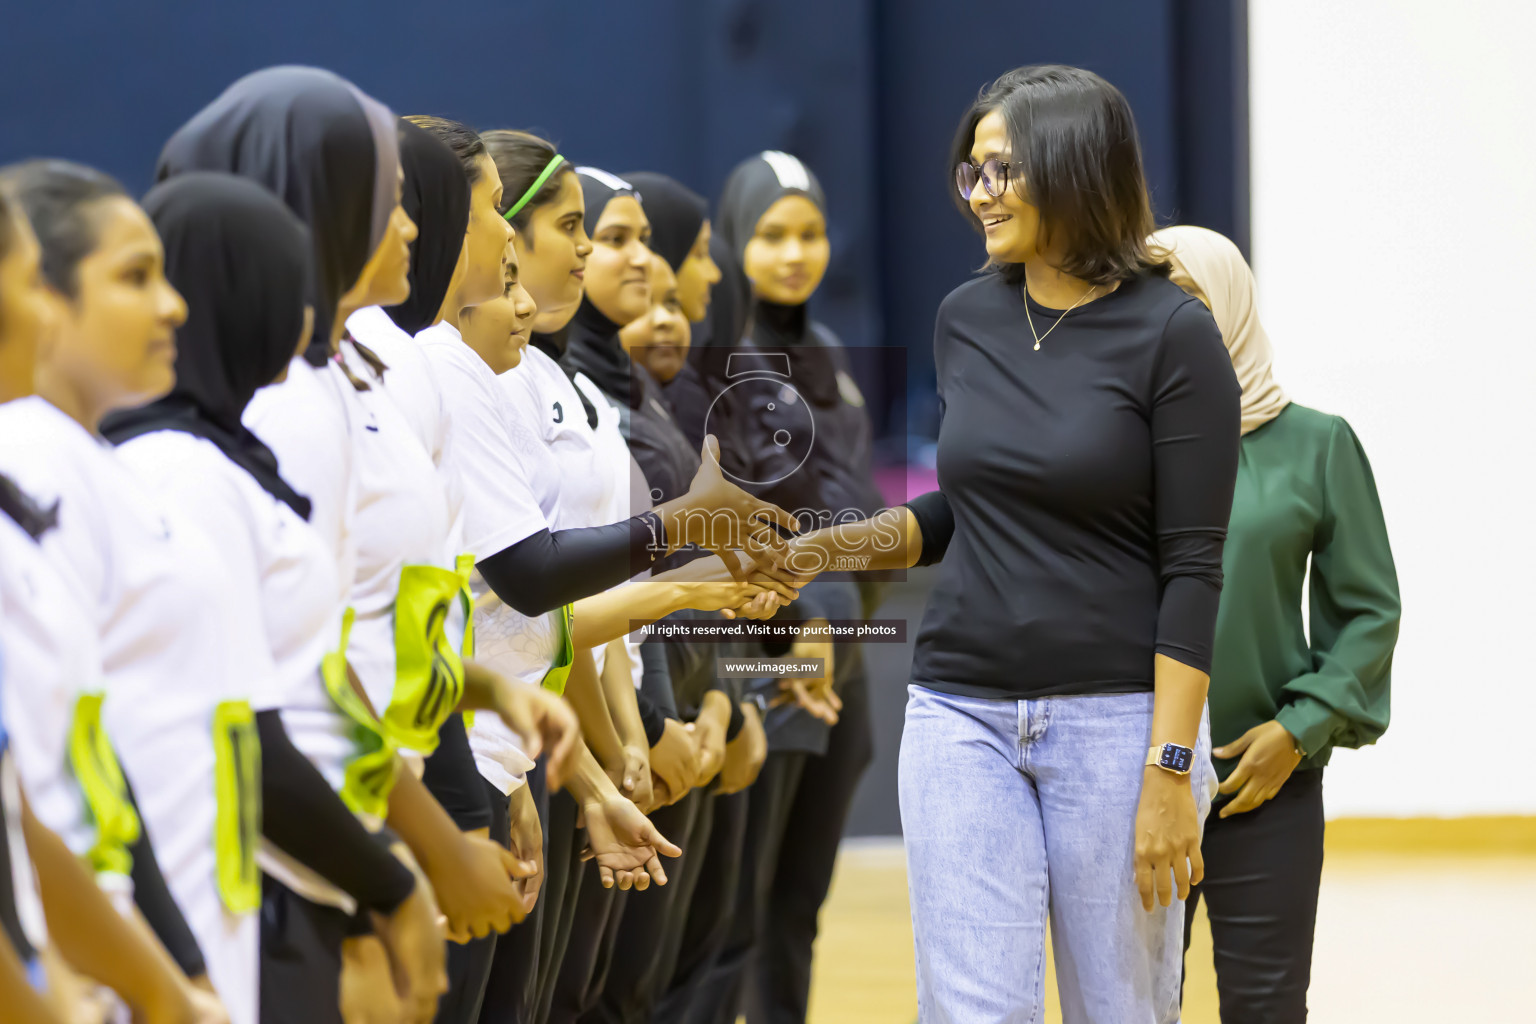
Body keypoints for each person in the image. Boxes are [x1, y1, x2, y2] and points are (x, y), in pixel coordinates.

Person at [774, 65, 1241, 1022]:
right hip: (960, 712)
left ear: (1076, 166)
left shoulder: (1174, 334)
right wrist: (832, 546)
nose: (979, 193)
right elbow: (970, 505)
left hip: (1118, 728)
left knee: (1123, 1008)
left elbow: (1194, 567)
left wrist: (1170, 773)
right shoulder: (967, 318)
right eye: (971, 172)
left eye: (1002, 170)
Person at [101, 173, 451, 1024]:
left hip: (260, 890)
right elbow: (258, 720)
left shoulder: (223, 458)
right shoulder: (180, 471)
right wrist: (390, 883)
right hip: (256, 883)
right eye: (288, 280)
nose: (172, 309)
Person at [0, 157, 278, 1023]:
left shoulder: (73, 471)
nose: (173, 306)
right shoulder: (42, 457)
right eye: (133, 277)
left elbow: (36, 800)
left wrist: (167, 979)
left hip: (113, 945)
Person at [1153, 225, 1399, 1023]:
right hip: (1136, 781)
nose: (1162, 317)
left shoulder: (1316, 445)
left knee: (1267, 1007)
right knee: (1132, 1006)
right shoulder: (1120, 447)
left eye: (1183, 296)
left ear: (1227, 301)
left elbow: (1368, 612)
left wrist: (1299, 728)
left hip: (1269, 782)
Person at [693, 150, 882, 1024]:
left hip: (839, 658)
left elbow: (857, 510)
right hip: (770, 660)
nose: (795, 253)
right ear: (736, 241)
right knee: (739, 914)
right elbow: (754, 526)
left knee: (798, 907)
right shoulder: (718, 364)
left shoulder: (831, 356)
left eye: (809, 233)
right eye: (772, 235)